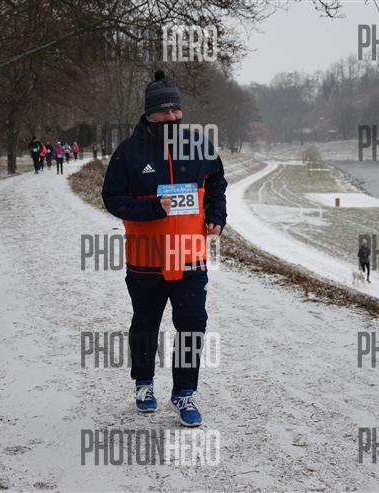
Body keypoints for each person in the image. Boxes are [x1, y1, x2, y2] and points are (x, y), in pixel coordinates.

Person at [101, 70, 227, 427]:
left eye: (176, 109)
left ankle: (184, 392)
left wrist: (217, 215)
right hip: (146, 259)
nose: (172, 116)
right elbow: (112, 198)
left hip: (190, 257)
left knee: (192, 324)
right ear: (149, 113)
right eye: (164, 110)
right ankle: (143, 384)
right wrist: (152, 208)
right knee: (145, 324)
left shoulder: (200, 145)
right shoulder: (128, 152)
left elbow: (216, 183)